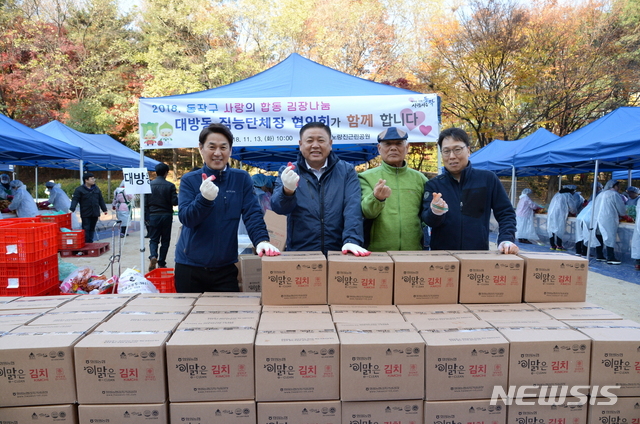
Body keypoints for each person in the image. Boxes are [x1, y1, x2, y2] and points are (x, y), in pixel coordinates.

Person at [174, 123, 280, 293]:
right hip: (189, 266)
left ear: (230, 150)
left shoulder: (241, 178)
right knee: (192, 318)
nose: (218, 153)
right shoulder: (190, 180)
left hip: (225, 267)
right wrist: (204, 199)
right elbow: (187, 218)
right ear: (201, 148)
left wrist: (261, 240)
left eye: (223, 147)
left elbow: (252, 214)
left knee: (228, 316)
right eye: (212, 147)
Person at [271, 121, 369, 256]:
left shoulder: (346, 171)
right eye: (309, 140)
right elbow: (278, 208)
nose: (315, 145)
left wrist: (352, 240)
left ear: (330, 144)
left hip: (340, 251)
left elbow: (352, 208)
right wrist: (287, 191)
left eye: (321, 140)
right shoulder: (289, 171)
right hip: (301, 252)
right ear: (300, 145)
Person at [421, 127, 518, 253]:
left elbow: (506, 213)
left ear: (468, 150)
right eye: (446, 151)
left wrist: (506, 239)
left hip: (478, 254)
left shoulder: (487, 179)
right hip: (442, 257)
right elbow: (427, 220)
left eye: (457, 150)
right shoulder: (434, 185)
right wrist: (435, 212)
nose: (452, 156)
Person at [358, 127, 427, 251]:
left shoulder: (420, 179)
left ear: (407, 148)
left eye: (399, 144)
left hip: (414, 252)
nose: (393, 148)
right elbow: (367, 212)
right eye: (388, 144)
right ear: (379, 149)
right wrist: (376, 198)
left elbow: (426, 216)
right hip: (377, 253)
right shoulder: (365, 177)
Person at [145, 162, 178, 271]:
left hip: (153, 215)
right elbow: (175, 202)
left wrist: (146, 217)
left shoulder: (149, 185)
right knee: (165, 240)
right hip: (166, 215)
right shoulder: (170, 186)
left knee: (153, 239)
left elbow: (145, 203)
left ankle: (153, 255)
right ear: (166, 173)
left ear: (156, 172)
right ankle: (162, 262)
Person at [591, 180, 627, 264]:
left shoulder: (600, 194)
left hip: (598, 218)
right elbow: (621, 209)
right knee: (610, 237)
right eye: (618, 186)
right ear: (613, 186)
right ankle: (610, 257)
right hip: (608, 218)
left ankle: (599, 255)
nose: (619, 188)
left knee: (598, 236)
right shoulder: (615, 194)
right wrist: (624, 215)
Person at [69, 173, 108, 243]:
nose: (94, 180)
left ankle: (90, 241)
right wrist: (72, 209)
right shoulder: (79, 190)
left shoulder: (96, 189)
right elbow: (75, 199)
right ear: (86, 180)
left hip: (95, 212)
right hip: (85, 212)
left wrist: (104, 209)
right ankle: (86, 242)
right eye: (92, 179)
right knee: (86, 228)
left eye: (94, 178)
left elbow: (100, 199)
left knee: (92, 228)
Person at [574, 182, 603, 257]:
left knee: (580, 234)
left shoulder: (597, 196)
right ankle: (585, 252)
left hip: (581, 216)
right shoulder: (602, 197)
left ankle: (578, 251)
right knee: (587, 235)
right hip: (588, 218)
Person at [546, 186, 578, 251]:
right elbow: (572, 206)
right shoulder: (568, 195)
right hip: (559, 213)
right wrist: (574, 212)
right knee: (559, 228)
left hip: (551, 213)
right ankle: (559, 245)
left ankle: (552, 245)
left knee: (551, 228)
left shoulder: (557, 194)